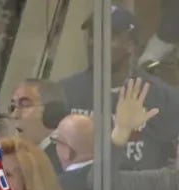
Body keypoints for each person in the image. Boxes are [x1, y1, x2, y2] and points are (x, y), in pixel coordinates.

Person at [57, 4, 179, 171]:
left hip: (138, 185)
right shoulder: (65, 91)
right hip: (79, 185)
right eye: (92, 35)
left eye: (108, 36)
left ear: (131, 45)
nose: (95, 43)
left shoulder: (164, 98)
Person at [7, 79, 69, 174]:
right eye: (12, 107)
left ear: (52, 112)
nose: (14, 115)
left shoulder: (65, 159)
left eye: (25, 105)